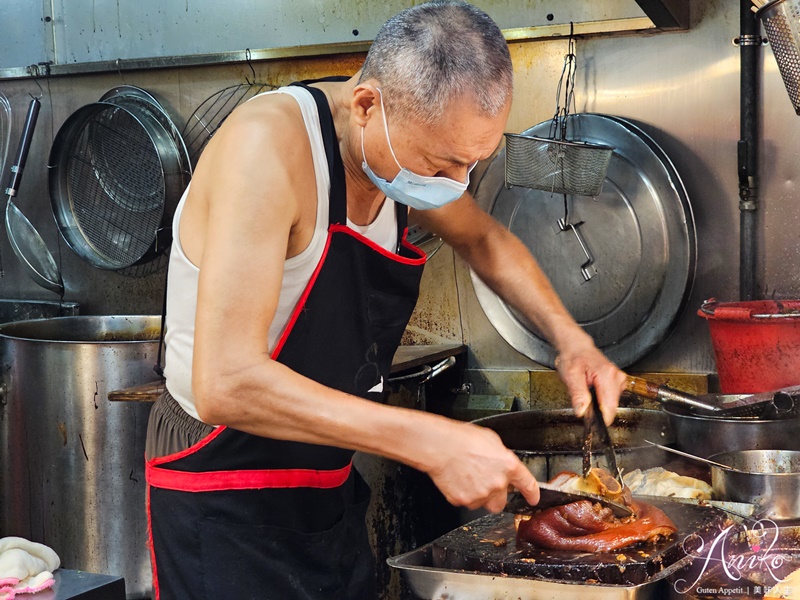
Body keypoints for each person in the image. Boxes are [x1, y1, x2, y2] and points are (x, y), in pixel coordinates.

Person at [144, 1, 628, 598]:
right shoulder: (265, 150)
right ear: (368, 104)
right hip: (222, 486)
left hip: (327, 480)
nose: (454, 187)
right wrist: (428, 440)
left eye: (471, 164)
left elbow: (483, 237)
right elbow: (226, 381)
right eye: (443, 163)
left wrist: (571, 340)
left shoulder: (396, 149)